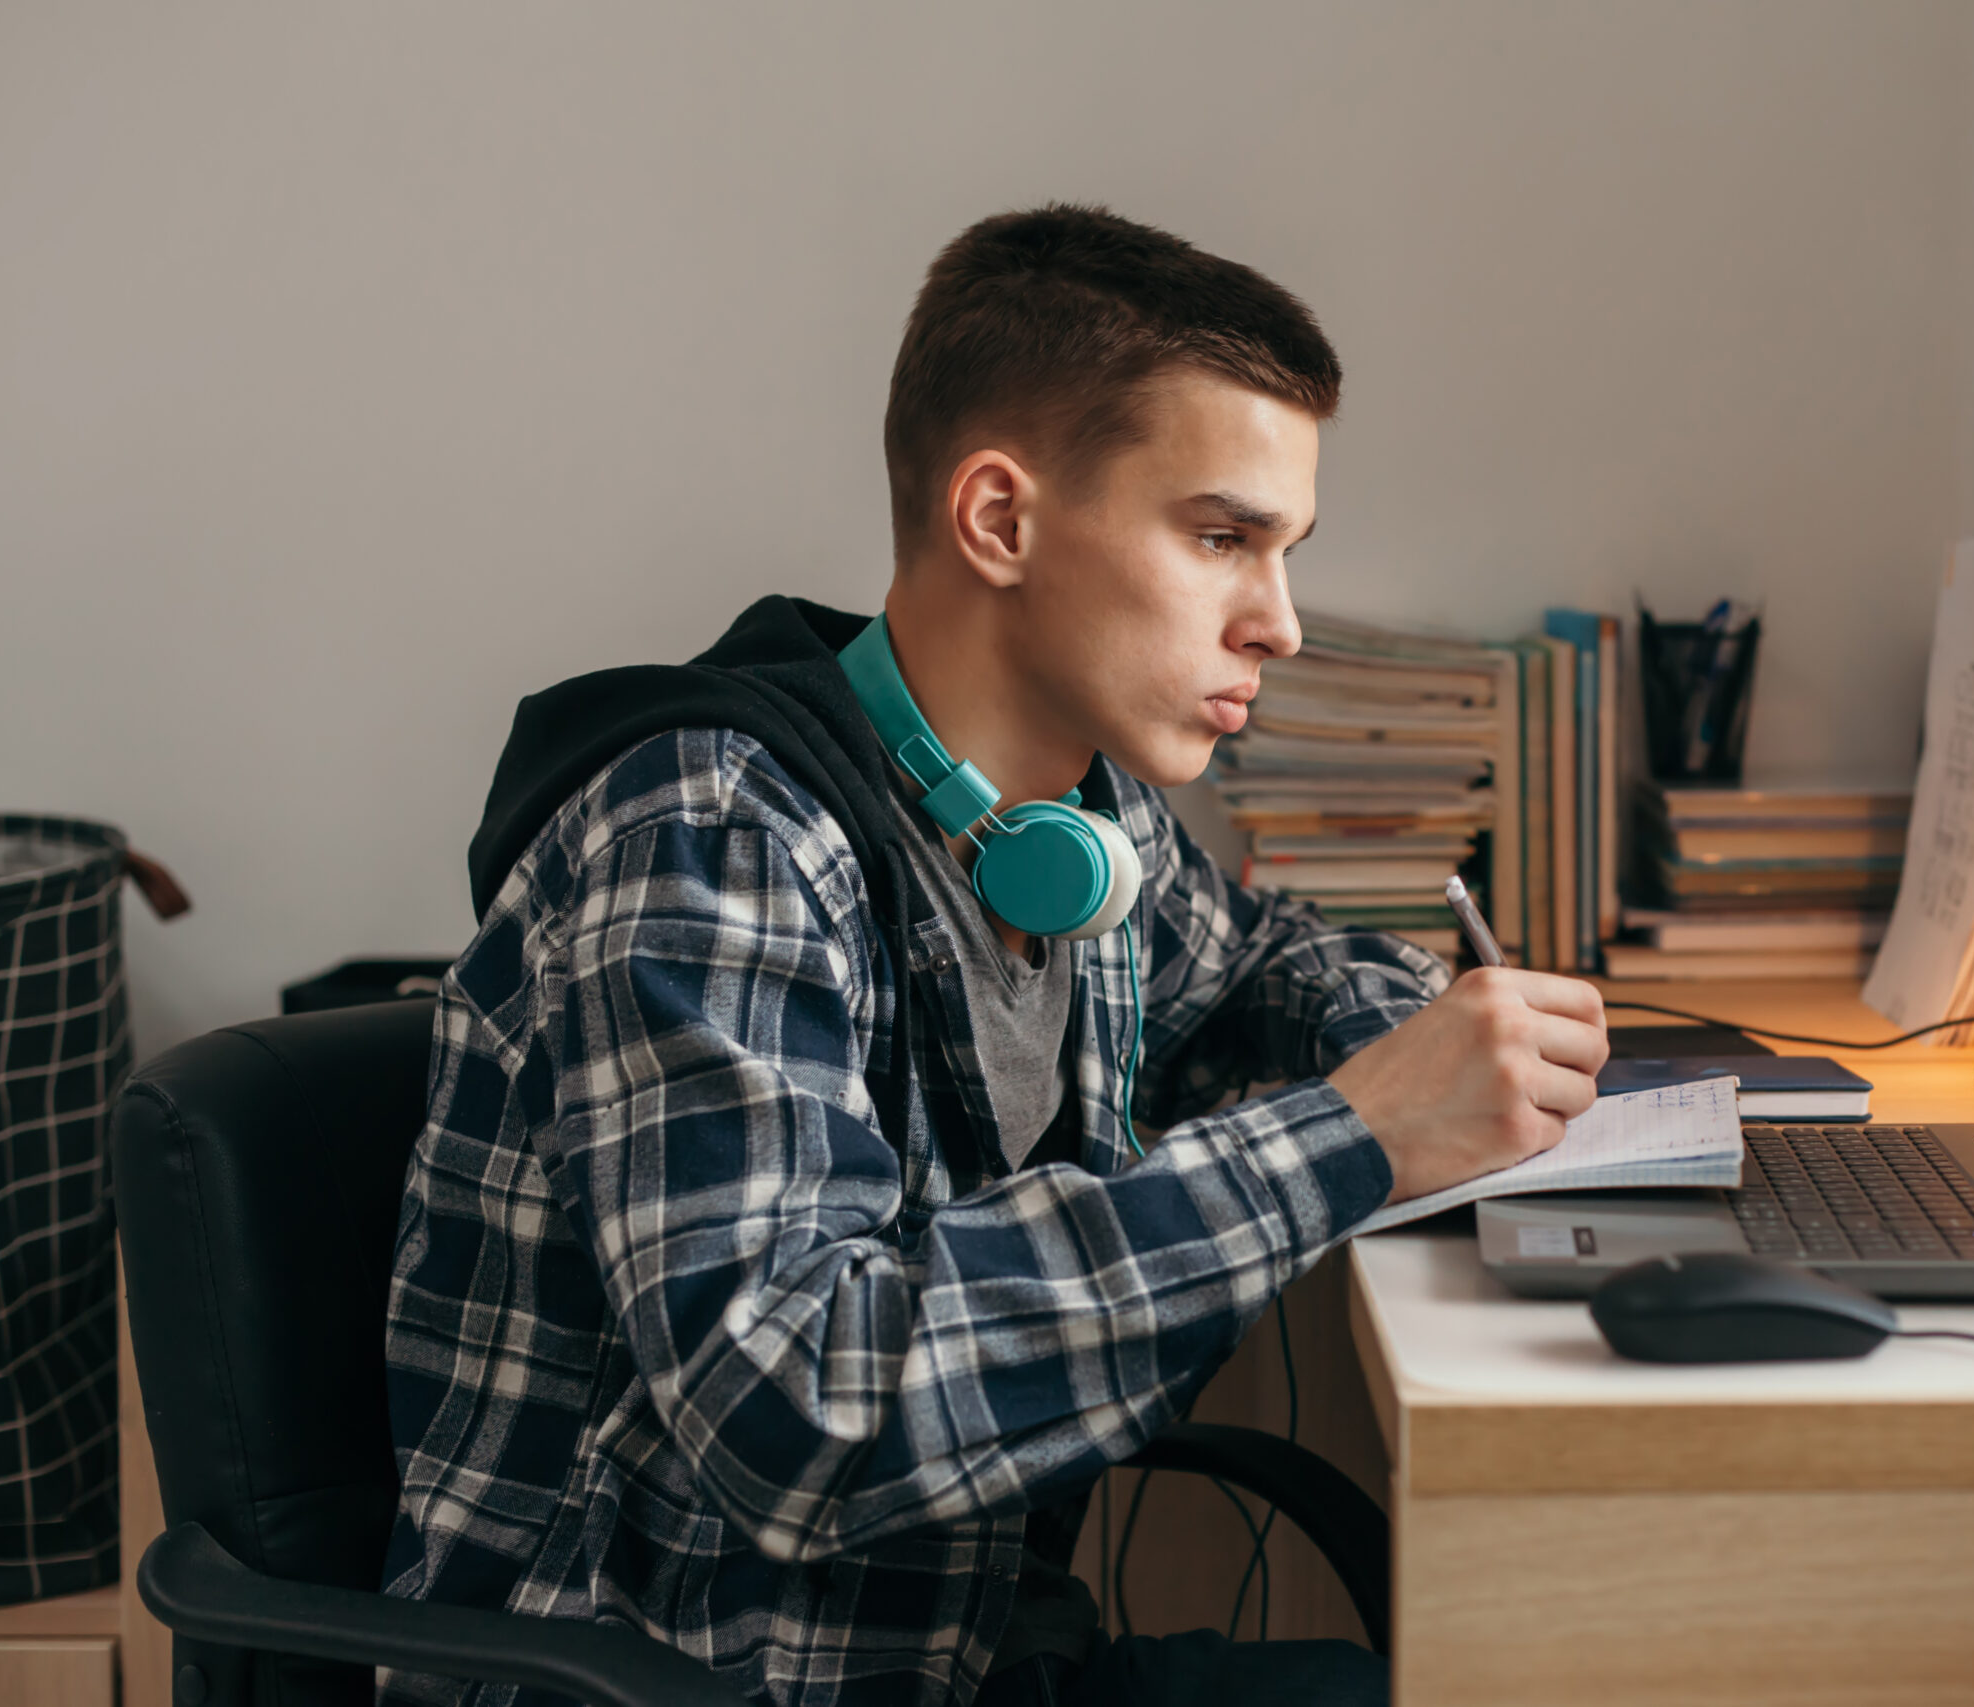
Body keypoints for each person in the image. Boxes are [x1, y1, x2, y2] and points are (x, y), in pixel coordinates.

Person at [380, 204, 1609, 1707]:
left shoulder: (1074, 830)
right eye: (1222, 538)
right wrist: (1357, 1133)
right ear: (1000, 521)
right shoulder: (714, 836)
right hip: (689, 1680)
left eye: (1284, 553)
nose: (1278, 623)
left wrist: (1450, 1032)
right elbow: (798, 1407)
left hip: (954, 1657)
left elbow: (1256, 960)